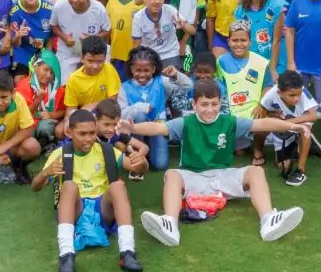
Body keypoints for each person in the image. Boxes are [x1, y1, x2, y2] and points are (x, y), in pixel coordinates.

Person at [131, 79, 308, 247]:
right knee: (171, 174)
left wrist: (291, 126)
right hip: (194, 177)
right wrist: (132, 128)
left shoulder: (230, 122)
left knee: (256, 171)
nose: (210, 109)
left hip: (223, 176)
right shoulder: (185, 122)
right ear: (194, 105)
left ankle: (268, 220)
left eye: (214, 104)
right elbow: (158, 128)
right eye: (204, 104)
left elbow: (261, 123)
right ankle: (169, 223)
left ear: (220, 103)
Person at [36, 109, 142, 272]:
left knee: (118, 186)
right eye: (82, 134)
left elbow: (137, 168)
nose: (88, 138)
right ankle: (66, 253)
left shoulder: (106, 150)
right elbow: (35, 186)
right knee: (70, 186)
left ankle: (127, 251)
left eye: (92, 133)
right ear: (69, 133)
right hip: (75, 210)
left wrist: (140, 162)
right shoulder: (60, 154)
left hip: (103, 209)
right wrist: (46, 173)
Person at [253, 70, 320, 186]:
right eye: (292, 95)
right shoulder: (272, 93)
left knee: (305, 132)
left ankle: (301, 170)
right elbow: (264, 112)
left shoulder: (303, 92)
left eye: (298, 94)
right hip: (283, 126)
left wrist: (289, 123)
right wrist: (271, 114)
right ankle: (258, 152)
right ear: (279, 92)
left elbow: (313, 116)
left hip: (300, 122)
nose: (296, 99)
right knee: (281, 165)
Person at [50, 0, 112, 78]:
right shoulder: (59, 6)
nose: (75, 0)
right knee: (65, 84)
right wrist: (64, 37)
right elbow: (53, 25)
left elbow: (107, 30)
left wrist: (92, 39)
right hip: (68, 52)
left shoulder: (98, 9)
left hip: (94, 54)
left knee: (98, 82)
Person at [234, 0, 288, 71]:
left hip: (277, 63)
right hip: (253, 63)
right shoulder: (241, 10)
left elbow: (276, 41)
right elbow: (241, 39)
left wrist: (273, 70)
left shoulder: (276, 5)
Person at [217, 20, 271, 116]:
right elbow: (218, 88)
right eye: (235, 40)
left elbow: (268, 87)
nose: (239, 44)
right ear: (228, 42)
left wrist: (261, 106)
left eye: (243, 40)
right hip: (229, 117)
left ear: (250, 42)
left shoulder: (263, 62)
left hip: (255, 117)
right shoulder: (221, 62)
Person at [131, 0, 184, 70]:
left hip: (170, 53)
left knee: (172, 81)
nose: (157, 2)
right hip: (150, 55)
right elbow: (136, 45)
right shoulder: (139, 17)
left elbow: (191, 30)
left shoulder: (170, 10)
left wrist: (183, 24)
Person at [62, 35, 120, 114]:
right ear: (82, 58)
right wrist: (68, 120)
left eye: (100, 61)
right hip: (83, 117)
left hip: (106, 114)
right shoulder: (73, 78)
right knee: (62, 126)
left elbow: (112, 100)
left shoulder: (109, 69)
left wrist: (92, 106)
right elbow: (71, 109)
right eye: (90, 61)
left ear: (105, 58)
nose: (95, 66)